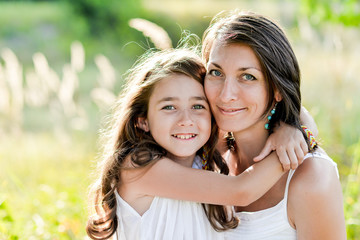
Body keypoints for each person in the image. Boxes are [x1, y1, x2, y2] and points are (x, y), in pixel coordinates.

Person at [85, 47, 312, 240]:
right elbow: (241, 191)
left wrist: (289, 126)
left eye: (198, 106)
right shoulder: (138, 167)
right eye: (169, 107)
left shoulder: (204, 158)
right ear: (142, 120)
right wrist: (301, 138)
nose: (186, 121)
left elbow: (260, 105)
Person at [202, 10, 346, 240]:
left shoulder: (311, 177)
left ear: (277, 88)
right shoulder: (205, 159)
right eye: (216, 72)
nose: (226, 94)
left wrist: (300, 128)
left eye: (247, 76)